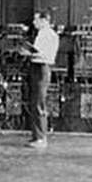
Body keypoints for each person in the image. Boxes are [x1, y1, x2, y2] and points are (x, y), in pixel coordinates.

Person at [25, 11, 59, 149]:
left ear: (44, 20)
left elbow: (47, 56)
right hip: (36, 68)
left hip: (42, 69)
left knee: (39, 104)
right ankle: (36, 136)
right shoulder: (41, 34)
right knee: (35, 103)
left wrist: (30, 54)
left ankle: (41, 138)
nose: (34, 22)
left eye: (36, 20)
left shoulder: (50, 35)